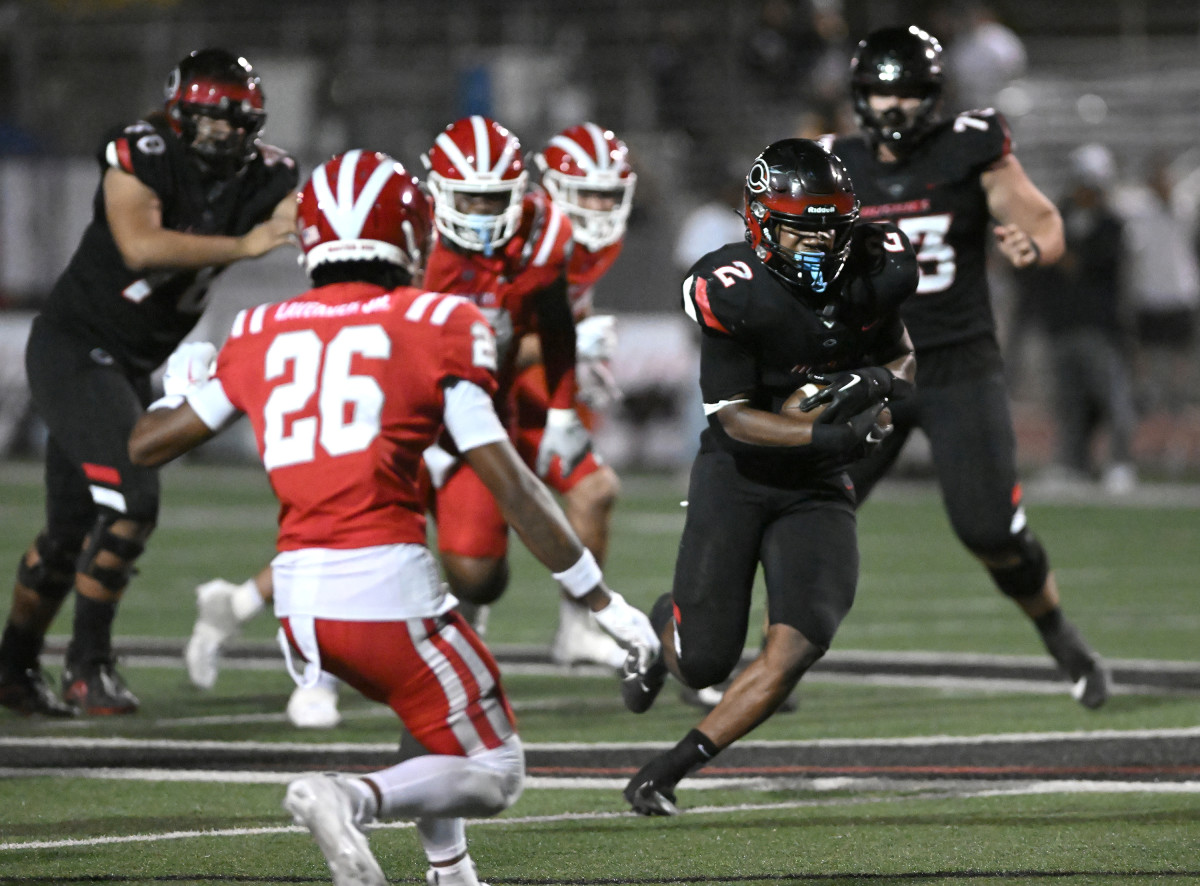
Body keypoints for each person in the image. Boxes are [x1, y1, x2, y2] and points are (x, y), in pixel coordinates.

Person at [127, 150, 658, 886]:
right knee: (497, 770)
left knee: (429, 711)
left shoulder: (258, 327)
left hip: (303, 610)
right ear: (411, 230)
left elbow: (148, 445)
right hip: (386, 591)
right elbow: (511, 484)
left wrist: (176, 385)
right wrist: (601, 600)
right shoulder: (438, 319)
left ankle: (451, 870)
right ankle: (350, 795)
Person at [181, 116, 595, 726]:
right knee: (350, 525)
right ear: (433, 197)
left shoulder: (539, 235)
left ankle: (241, 605)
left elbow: (548, 326)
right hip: (392, 406)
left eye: (493, 197)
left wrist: (560, 403)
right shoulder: (406, 241)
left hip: (467, 411)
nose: (480, 212)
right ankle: (311, 669)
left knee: (476, 568)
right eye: (467, 197)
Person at [620, 138, 919, 816]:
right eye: (799, 227)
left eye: (827, 226)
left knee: (800, 640)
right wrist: (831, 431)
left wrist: (875, 383)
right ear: (759, 222)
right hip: (741, 474)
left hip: (817, 485)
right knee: (702, 661)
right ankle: (661, 620)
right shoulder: (731, 287)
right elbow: (733, 421)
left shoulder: (879, 265)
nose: (816, 242)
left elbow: (902, 358)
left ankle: (667, 771)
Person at [0, 48, 299, 717]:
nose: (221, 134)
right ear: (176, 112)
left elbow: (317, 220)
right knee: (132, 499)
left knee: (68, 532)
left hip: (130, 361)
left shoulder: (271, 173)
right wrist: (246, 246)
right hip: (76, 349)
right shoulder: (140, 149)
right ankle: (86, 666)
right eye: (209, 119)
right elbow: (139, 243)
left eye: (235, 121)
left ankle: (13, 667)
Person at [821, 26, 1110, 706]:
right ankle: (764, 653)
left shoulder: (969, 146)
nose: (893, 106)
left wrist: (1031, 245)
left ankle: (1057, 631)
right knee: (806, 511)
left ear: (935, 95)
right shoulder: (837, 165)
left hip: (958, 365)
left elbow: (1042, 220)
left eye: (908, 91)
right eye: (880, 91)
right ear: (860, 96)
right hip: (873, 370)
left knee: (988, 529)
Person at [512, 121, 637, 669]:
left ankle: (575, 629)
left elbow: (565, 319)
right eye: (585, 191)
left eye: (607, 193)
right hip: (477, 393)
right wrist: (564, 345)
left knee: (594, 491)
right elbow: (478, 343)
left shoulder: (600, 240)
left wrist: (576, 363)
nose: (597, 205)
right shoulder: (518, 235)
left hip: (532, 394)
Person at [1026, 143, 1137, 493]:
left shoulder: (1111, 225)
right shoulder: (1055, 218)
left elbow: (1095, 268)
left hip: (1098, 327)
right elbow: (1040, 263)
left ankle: (1120, 462)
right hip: (1062, 324)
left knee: (1113, 399)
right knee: (1068, 403)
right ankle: (1072, 464)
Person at [1122, 154, 1200, 478]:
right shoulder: (1137, 211)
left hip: (1179, 301)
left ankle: (1177, 447)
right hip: (1149, 303)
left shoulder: (1182, 206)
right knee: (1150, 381)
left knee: (1180, 383)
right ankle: (1148, 446)